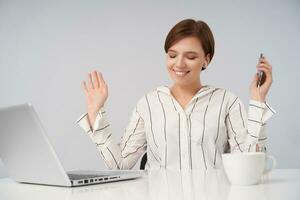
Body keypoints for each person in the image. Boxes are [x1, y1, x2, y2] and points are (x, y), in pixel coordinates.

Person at [76, 19, 275, 170]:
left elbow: (249, 165)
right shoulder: (149, 103)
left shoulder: (227, 102)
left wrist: (258, 101)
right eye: (172, 55)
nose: (179, 64)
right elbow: (119, 165)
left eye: (190, 57)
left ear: (206, 60)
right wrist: (95, 112)